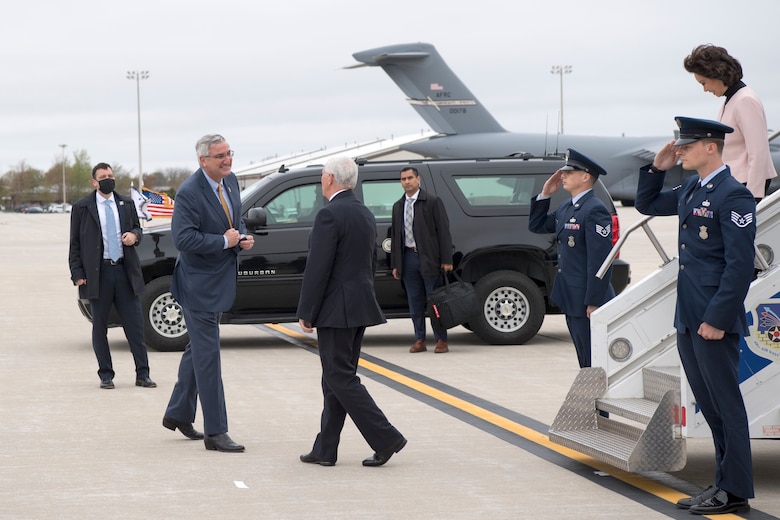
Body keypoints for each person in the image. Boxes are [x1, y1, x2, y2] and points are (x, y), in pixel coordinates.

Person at [635, 117, 755, 515]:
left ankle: (735, 489)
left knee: (726, 406)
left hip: (712, 319)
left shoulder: (733, 196)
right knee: (710, 404)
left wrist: (719, 319)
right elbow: (647, 204)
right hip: (689, 314)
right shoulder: (691, 188)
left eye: (686, 146)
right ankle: (723, 483)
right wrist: (656, 169)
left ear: (711, 147)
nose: (680, 150)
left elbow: (739, 267)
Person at [297, 156, 406, 467]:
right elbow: (367, 263)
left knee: (339, 378)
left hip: (336, 308)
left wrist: (307, 309)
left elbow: (318, 268)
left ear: (331, 178)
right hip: (358, 304)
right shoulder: (363, 212)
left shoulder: (329, 215)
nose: (321, 180)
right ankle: (325, 449)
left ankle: (386, 438)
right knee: (334, 379)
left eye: (322, 175)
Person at [161, 134, 255, 452]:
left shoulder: (231, 183)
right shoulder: (189, 192)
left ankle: (177, 413)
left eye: (229, 153)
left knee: (198, 351)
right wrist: (224, 242)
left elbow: (232, 220)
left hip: (219, 280)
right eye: (220, 156)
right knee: (209, 357)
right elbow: (183, 239)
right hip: (197, 285)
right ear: (203, 161)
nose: (228, 160)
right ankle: (216, 432)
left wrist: (240, 236)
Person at [69, 162, 156, 390]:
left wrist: (134, 236)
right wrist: (77, 274)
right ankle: (106, 375)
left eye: (110, 175)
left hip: (124, 271)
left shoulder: (126, 204)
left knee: (135, 326)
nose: (108, 179)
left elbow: (139, 230)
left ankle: (143, 374)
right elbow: (75, 244)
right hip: (98, 274)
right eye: (103, 176)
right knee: (100, 327)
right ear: (94, 182)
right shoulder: (82, 208)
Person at [528, 149, 615, 369]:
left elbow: (600, 261)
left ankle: (596, 399)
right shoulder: (568, 207)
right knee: (583, 354)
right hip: (571, 295)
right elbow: (537, 225)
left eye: (569, 171)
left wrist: (594, 301)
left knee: (592, 358)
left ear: (585, 176)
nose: (562, 175)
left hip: (587, 298)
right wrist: (545, 194)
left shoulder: (595, 209)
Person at [683, 44, 777, 202]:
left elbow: (758, 152)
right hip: (734, 182)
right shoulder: (732, 100)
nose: (704, 89)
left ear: (716, 74)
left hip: (745, 184)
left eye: (703, 83)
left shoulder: (745, 100)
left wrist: (752, 195)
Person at [390, 167, 454, 354]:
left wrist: (446, 259)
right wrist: (396, 264)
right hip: (408, 258)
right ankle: (420, 339)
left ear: (418, 179)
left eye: (410, 178)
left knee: (435, 301)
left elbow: (443, 231)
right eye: (403, 179)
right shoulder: (398, 206)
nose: (407, 182)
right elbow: (396, 236)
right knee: (414, 301)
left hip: (429, 259)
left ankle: (441, 339)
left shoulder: (432, 202)